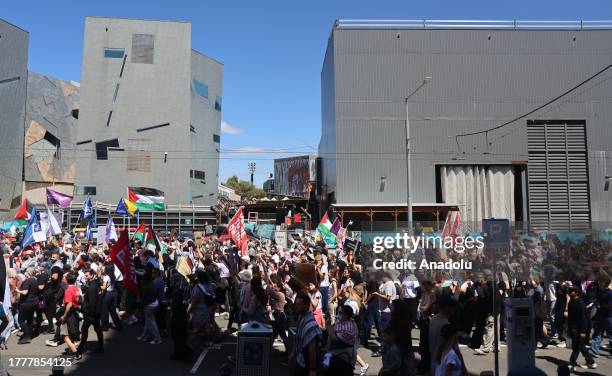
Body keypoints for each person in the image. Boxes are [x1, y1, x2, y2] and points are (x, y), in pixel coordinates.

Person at [290, 292, 322, 376]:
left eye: (299, 304)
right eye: (296, 304)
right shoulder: (301, 317)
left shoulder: (311, 324)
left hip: (305, 365)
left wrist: (312, 369)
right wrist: (293, 353)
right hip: (299, 360)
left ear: (306, 305)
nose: (296, 306)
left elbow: (312, 350)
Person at [566, 286, 596, 370]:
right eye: (569, 291)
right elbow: (570, 317)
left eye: (571, 291)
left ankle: (572, 363)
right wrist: (568, 329)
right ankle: (591, 361)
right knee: (580, 346)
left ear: (576, 292)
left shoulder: (580, 303)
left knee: (576, 347)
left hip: (579, 328)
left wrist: (583, 331)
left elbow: (584, 319)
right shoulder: (571, 301)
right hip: (573, 328)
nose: (569, 292)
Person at [77, 268, 104, 354]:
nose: (85, 277)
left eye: (87, 275)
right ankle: (99, 346)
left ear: (92, 275)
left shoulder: (92, 286)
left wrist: (90, 315)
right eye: (85, 275)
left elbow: (92, 302)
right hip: (94, 312)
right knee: (96, 329)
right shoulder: (94, 284)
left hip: (91, 314)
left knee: (86, 329)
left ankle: (82, 346)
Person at [429, 295, 457, 371]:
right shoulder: (447, 325)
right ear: (447, 308)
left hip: (433, 360)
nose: (453, 309)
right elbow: (449, 346)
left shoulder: (433, 319)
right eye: (452, 307)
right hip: (443, 363)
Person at [59, 272, 82, 360]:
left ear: (66, 281)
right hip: (76, 313)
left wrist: (64, 316)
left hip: (69, 314)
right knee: (71, 334)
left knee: (65, 335)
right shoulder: (77, 288)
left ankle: (76, 353)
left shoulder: (68, 290)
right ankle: (71, 351)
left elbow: (69, 304)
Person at [138, 269, 162, 345]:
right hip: (155, 303)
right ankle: (144, 336)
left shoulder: (146, 287)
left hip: (149, 305)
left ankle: (158, 339)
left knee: (151, 323)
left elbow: (144, 300)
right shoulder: (152, 284)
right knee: (149, 321)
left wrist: (141, 309)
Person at [16, 267, 38, 344]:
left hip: (26, 303)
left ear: (28, 273)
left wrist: (17, 290)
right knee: (29, 319)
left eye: (25, 271)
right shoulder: (35, 280)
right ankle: (29, 334)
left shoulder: (28, 281)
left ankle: (27, 336)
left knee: (21, 320)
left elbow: (25, 292)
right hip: (33, 302)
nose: (24, 272)